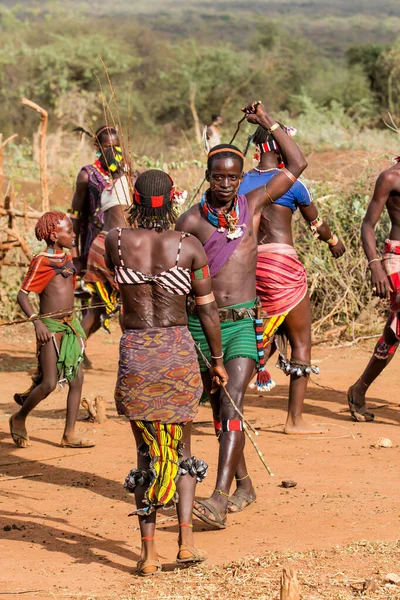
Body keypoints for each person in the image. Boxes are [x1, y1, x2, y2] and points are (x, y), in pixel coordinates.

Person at [175, 101, 307, 528]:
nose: (228, 184)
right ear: (208, 177)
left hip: (243, 326)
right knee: (219, 410)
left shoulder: (253, 204)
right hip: (202, 326)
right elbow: (177, 276)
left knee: (231, 403)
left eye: (233, 177)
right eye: (219, 177)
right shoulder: (191, 220)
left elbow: (297, 162)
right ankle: (245, 485)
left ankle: (217, 497)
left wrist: (268, 121)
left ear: (242, 175)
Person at [104, 169, 228, 576]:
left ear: (137, 200)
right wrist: (218, 360)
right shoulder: (189, 247)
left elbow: (110, 217)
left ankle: (148, 554)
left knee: (145, 454)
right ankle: (187, 542)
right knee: (183, 451)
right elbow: (207, 309)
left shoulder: (116, 242)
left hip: (137, 355)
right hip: (176, 354)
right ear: (173, 199)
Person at [239, 125, 345, 434]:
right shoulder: (293, 183)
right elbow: (317, 222)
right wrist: (334, 241)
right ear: (279, 146)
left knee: (265, 334)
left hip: (250, 265)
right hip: (281, 264)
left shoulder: (242, 181)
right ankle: (295, 420)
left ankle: (232, 403)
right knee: (301, 342)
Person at [10, 212, 93, 449]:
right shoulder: (42, 261)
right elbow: (22, 295)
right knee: (48, 383)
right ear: (54, 236)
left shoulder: (66, 258)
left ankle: (69, 434)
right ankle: (19, 417)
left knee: (77, 379)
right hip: (50, 328)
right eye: (69, 231)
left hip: (69, 326)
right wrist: (36, 322)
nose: (73, 234)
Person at [347, 159, 400, 421]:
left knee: (394, 333)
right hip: (397, 257)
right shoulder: (391, 178)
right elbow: (368, 223)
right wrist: (374, 265)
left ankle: (359, 388)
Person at [82, 146, 130, 338]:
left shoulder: (108, 188)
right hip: (116, 245)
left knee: (96, 307)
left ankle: (75, 349)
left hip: (100, 243)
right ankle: (131, 351)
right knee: (128, 303)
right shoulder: (130, 183)